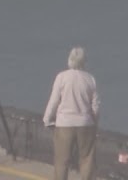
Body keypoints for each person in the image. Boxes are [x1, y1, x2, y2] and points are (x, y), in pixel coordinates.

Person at [42, 46, 101, 180]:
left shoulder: (62, 77)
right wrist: (95, 123)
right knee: (86, 160)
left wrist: (47, 119)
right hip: (86, 123)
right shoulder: (90, 79)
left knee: (61, 162)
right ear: (84, 61)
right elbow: (96, 105)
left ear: (69, 60)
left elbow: (54, 101)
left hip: (64, 124)